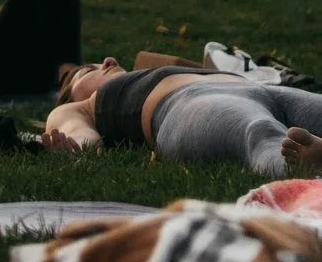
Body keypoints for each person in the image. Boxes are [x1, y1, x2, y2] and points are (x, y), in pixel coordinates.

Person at [43, 60, 322, 177]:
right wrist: (77, 146)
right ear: (72, 95)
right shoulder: (78, 107)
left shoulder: (146, 73)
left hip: (261, 90)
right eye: (89, 69)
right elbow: (78, 134)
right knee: (258, 132)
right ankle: (296, 166)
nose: (108, 61)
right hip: (186, 105)